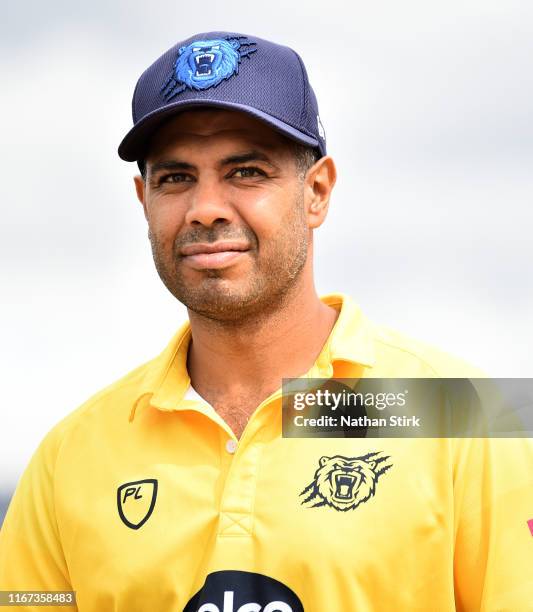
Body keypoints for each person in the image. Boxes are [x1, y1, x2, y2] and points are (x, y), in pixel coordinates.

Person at [1, 31, 532, 612]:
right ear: (143, 200)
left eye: (246, 172)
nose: (204, 208)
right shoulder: (70, 456)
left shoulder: (468, 417)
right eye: (175, 178)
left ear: (317, 192)